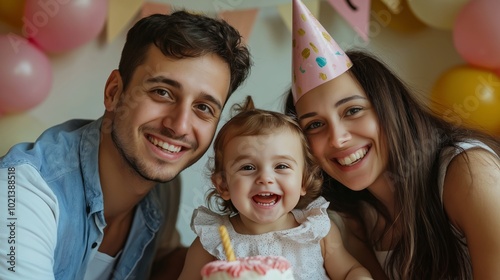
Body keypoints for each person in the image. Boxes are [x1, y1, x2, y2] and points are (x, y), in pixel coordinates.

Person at [0, 11, 251, 280]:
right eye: (162, 92)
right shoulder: (22, 193)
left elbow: (158, 261)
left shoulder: (163, 189)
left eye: (203, 108)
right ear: (114, 92)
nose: (178, 126)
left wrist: (237, 250)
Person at [284, 1, 500, 278]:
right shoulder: (356, 219)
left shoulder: (469, 172)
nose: (337, 139)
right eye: (315, 125)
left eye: (353, 110)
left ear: (389, 106)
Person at [178, 96, 373, 280]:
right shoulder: (211, 243)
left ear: (304, 181)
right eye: (248, 167)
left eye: (281, 166)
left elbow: (350, 271)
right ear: (223, 185)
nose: (265, 178)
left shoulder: (317, 232)